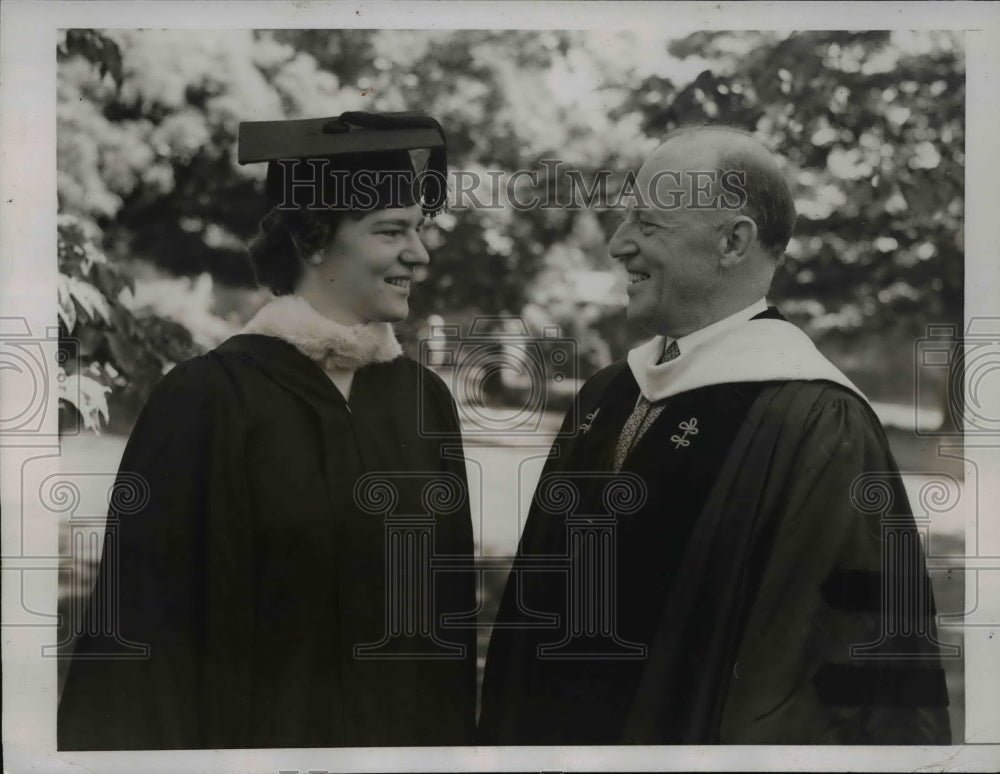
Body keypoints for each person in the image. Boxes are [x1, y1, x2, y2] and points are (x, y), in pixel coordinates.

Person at [478, 125, 952, 745]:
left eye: (648, 225)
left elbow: (836, 681)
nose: (620, 245)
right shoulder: (608, 394)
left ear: (733, 241)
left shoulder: (814, 420)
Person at [58, 112, 476, 749]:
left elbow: (448, 622)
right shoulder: (207, 398)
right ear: (313, 241)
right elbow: (140, 637)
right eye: (391, 230)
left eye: (418, 229)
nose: (418, 253)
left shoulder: (423, 402)